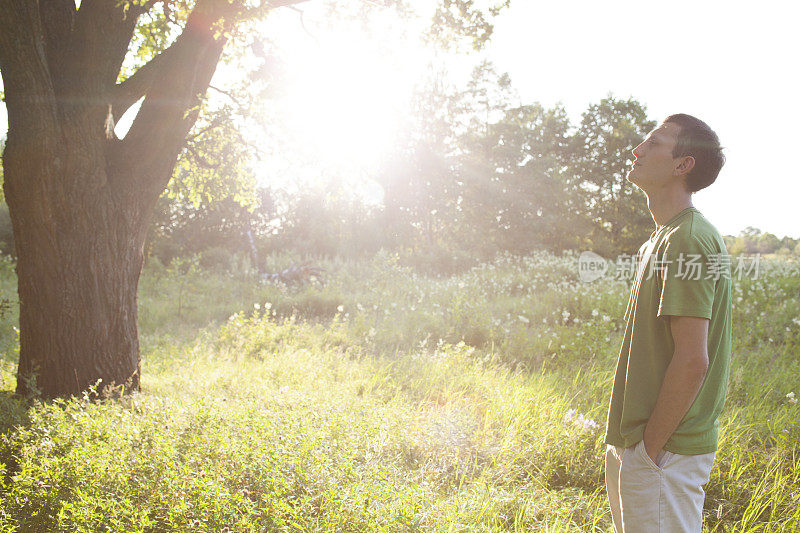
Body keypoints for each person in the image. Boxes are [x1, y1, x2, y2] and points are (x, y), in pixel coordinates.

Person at [603, 114, 731, 532]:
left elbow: (693, 360)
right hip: (639, 444)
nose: (637, 150)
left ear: (683, 165)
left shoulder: (688, 239)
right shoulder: (660, 238)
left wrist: (650, 451)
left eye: (652, 143)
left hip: (664, 451)